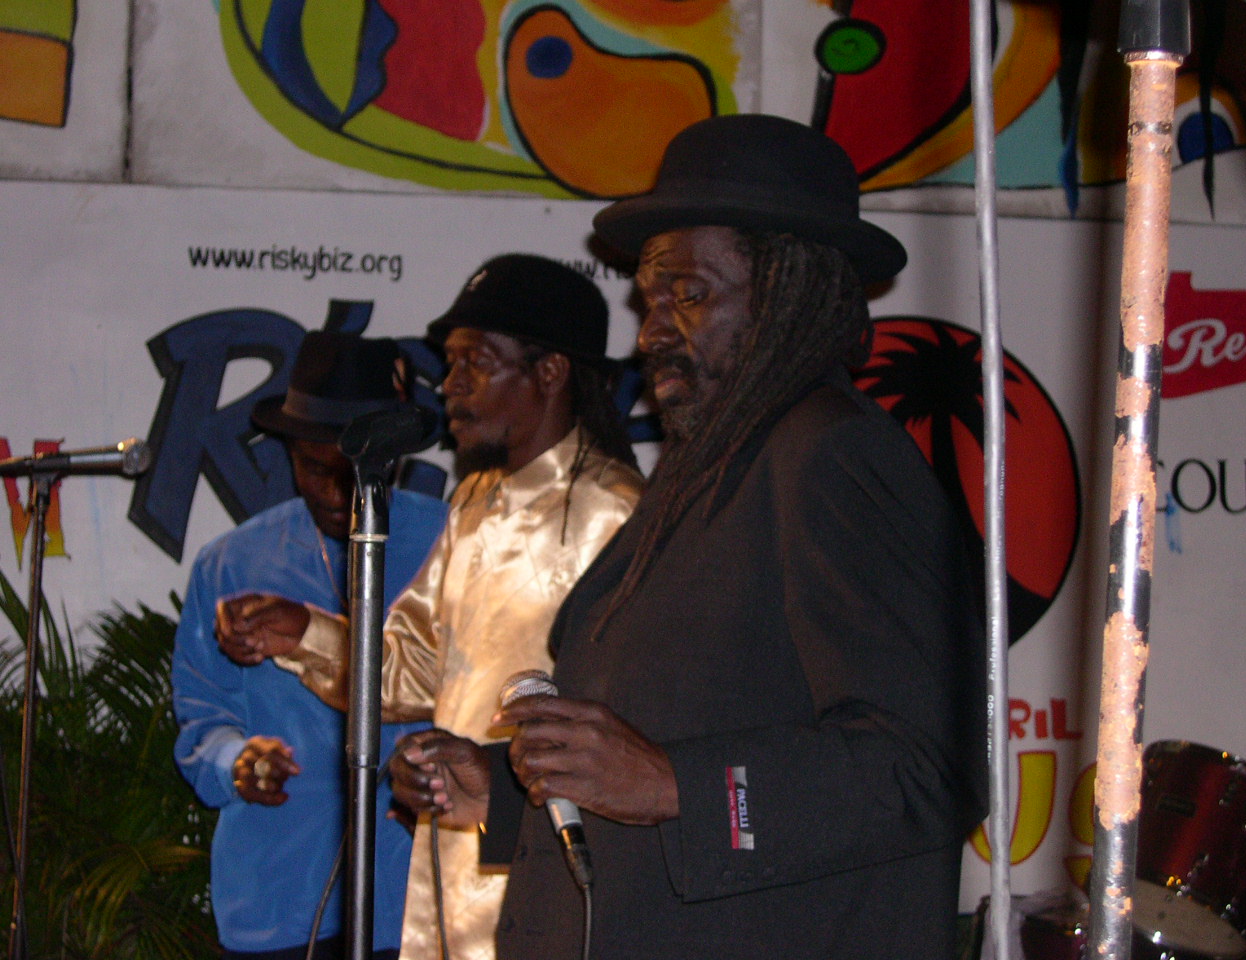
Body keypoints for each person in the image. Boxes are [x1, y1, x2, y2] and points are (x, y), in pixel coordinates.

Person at [391, 114, 990, 960]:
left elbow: (928, 767)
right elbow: (676, 742)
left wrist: (675, 784)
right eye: (652, 299)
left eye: (692, 295)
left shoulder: (833, 455)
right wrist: (510, 791)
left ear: (786, 295)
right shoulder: (707, 469)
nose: (652, 331)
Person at [216, 255, 644, 960]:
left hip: (547, 881)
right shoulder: (474, 502)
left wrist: (488, 773)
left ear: (550, 371)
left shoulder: (616, 516)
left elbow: (628, 726)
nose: (450, 385)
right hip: (448, 874)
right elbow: (412, 671)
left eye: (476, 362)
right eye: (450, 364)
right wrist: (302, 634)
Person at [172, 331, 449, 960]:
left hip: (419, 901)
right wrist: (237, 760)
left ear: (391, 460)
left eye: (349, 474)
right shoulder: (232, 562)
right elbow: (202, 718)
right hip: (278, 897)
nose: (331, 492)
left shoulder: (452, 544)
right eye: (312, 468)